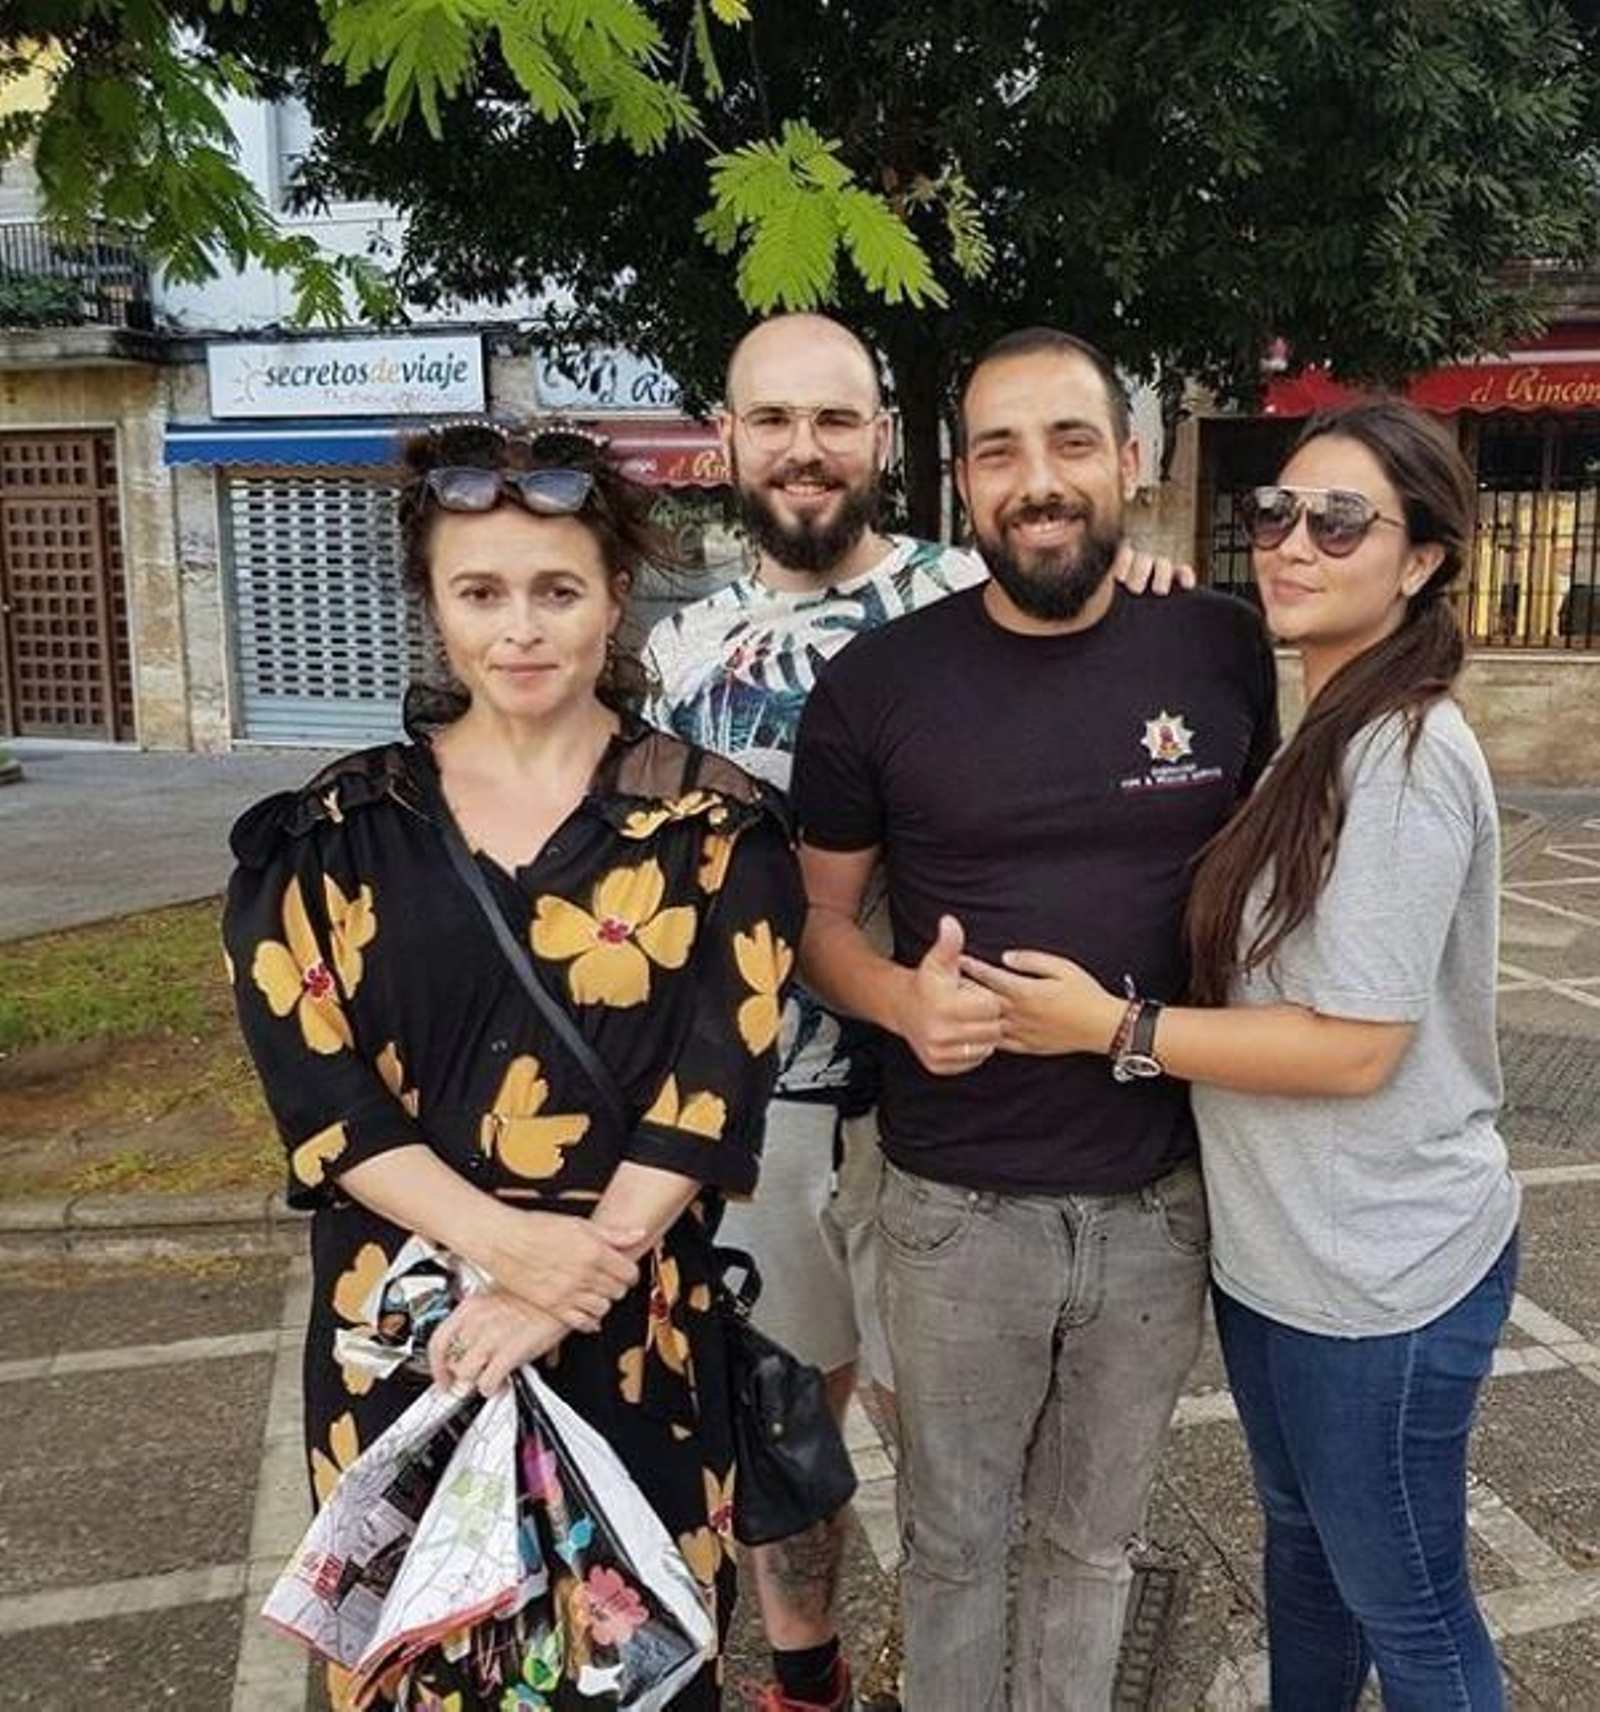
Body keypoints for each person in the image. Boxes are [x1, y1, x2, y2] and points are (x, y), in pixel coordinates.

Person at [643, 312, 1189, 1712]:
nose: (805, 450)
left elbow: (1083, 586)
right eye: (774, 421)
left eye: (835, 421)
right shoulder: (678, 651)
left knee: (941, 1431)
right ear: (728, 439)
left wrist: (1145, 575)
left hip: (933, 1126)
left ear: (888, 442)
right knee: (784, 1424)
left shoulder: (980, 576)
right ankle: (811, 1678)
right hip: (751, 1109)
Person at [223, 421, 804, 1708]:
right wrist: (506, 1245)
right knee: (425, 1662)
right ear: (435, 608)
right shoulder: (330, 836)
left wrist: (559, 1284)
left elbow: (716, 1084)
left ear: (612, 601)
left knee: (634, 1665)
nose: (520, 629)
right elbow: (321, 1099)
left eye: (556, 590)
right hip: (409, 1339)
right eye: (479, 592)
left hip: (631, 1325)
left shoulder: (716, 830)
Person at [966, 398, 1520, 1709]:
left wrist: (1113, 1030)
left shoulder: (1398, 750)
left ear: (1423, 558)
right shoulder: (1313, 729)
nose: (1293, 543)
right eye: (1275, 513)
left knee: (1416, 1616)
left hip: (1383, 1273)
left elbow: (1354, 1049)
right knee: (1307, 1570)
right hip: (1285, 1260)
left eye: (1341, 522)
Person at [791, 326, 1280, 1710]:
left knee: (1095, 1547)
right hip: (953, 1212)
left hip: (1162, 1202)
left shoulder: (1219, 645)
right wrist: (897, 998)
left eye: (1071, 442)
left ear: (1131, 460)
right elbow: (815, 924)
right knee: (952, 1552)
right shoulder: (876, 688)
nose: (1038, 480)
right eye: (999, 451)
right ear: (961, 482)